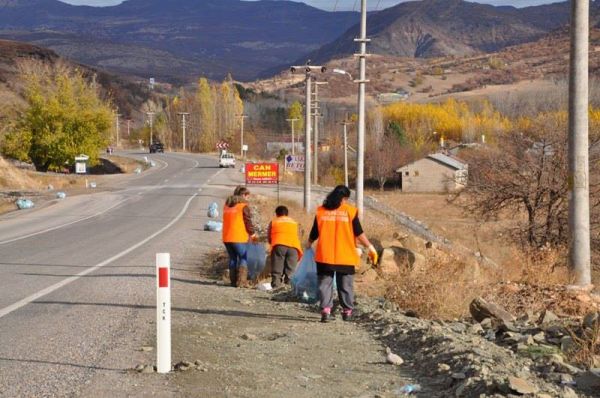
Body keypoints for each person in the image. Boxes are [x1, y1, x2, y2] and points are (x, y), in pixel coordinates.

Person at [306, 185, 378, 323]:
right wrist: (370, 246)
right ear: (344, 198)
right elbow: (359, 232)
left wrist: (309, 243)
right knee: (345, 284)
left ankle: (326, 310)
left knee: (325, 284)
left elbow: (315, 231)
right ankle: (347, 311)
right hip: (345, 255)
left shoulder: (321, 211)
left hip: (325, 255)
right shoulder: (350, 211)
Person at [222, 186, 257, 288]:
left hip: (226, 237)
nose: (248, 198)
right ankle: (241, 282)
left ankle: (233, 282)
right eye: (247, 196)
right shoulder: (243, 207)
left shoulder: (227, 206)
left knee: (233, 258)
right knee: (244, 257)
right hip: (238, 237)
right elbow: (248, 222)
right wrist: (253, 234)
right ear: (243, 195)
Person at [267, 205, 303, 290]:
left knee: (277, 267)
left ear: (277, 214)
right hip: (294, 247)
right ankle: (290, 288)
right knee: (291, 270)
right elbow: (298, 235)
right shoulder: (294, 222)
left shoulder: (274, 221)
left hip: (279, 245)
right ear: (287, 214)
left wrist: (272, 243)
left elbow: (269, 237)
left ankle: (276, 286)